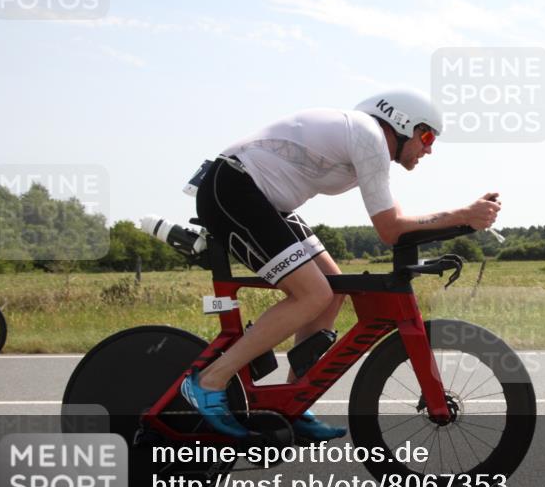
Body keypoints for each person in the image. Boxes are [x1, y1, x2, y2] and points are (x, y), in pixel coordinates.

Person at [182, 89, 502, 440]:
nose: (429, 148)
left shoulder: (365, 141)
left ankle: (294, 400)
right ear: (401, 123)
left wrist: (463, 220)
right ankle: (209, 380)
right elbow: (390, 229)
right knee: (312, 295)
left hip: (264, 198)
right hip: (234, 188)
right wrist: (463, 215)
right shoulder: (369, 137)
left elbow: (394, 221)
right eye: (426, 136)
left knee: (333, 290)